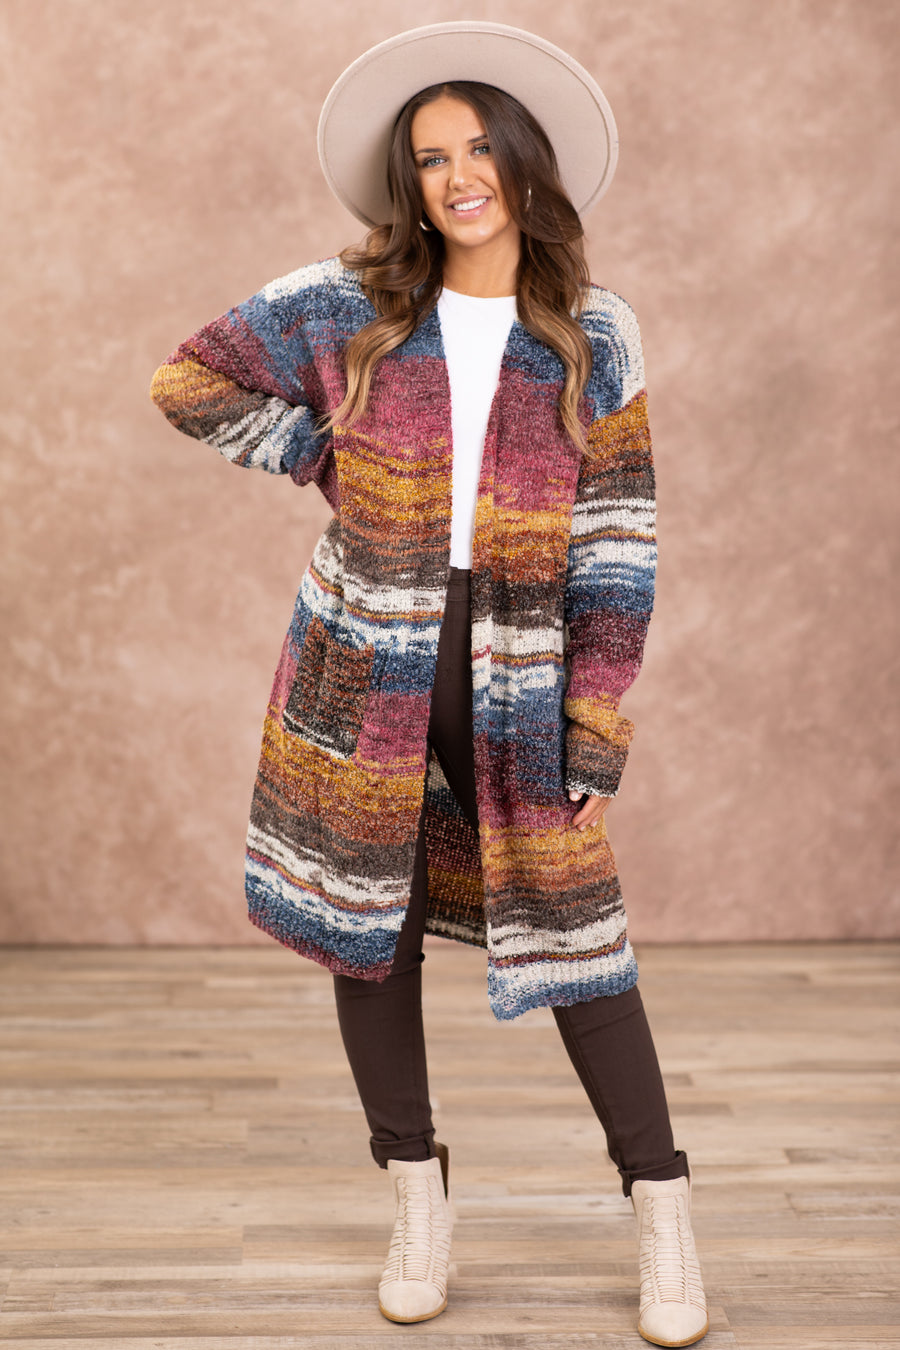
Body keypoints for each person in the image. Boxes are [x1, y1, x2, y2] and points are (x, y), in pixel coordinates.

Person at [150, 22, 708, 1346]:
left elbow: (617, 539)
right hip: (360, 656)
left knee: (578, 935)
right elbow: (189, 380)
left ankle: (665, 1215)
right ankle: (416, 1196)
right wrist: (322, 455)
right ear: (411, 183)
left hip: (521, 668)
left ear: (524, 161)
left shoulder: (595, 333)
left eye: (477, 149)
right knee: (369, 926)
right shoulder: (348, 306)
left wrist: (595, 713)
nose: (459, 176)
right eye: (431, 158)